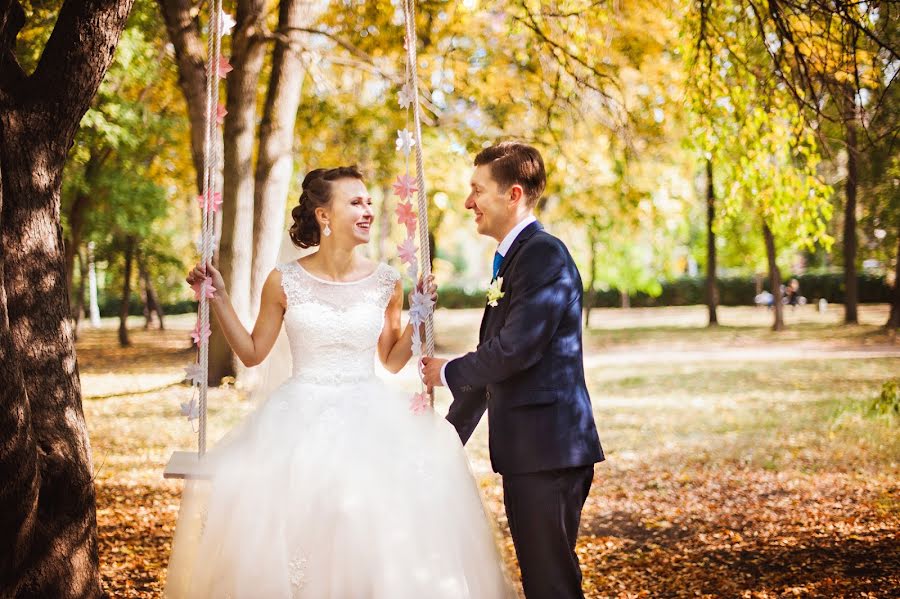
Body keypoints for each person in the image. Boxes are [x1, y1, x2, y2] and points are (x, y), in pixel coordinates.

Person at [167, 166, 512, 598]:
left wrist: (418, 316)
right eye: (356, 202)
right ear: (324, 216)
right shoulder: (284, 280)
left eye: (369, 202)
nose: (368, 210)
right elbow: (253, 352)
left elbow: (389, 359)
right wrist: (217, 297)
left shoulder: (387, 281)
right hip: (297, 416)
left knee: (371, 515)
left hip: (369, 410)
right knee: (294, 512)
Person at [422, 142, 604, 599]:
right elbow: (498, 366)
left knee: (552, 584)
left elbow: (513, 351)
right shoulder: (515, 259)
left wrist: (445, 371)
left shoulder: (543, 255)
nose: (468, 203)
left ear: (513, 194)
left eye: (477, 190)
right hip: (532, 453)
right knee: (542, 581)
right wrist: (445, 437)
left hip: (551, 452)